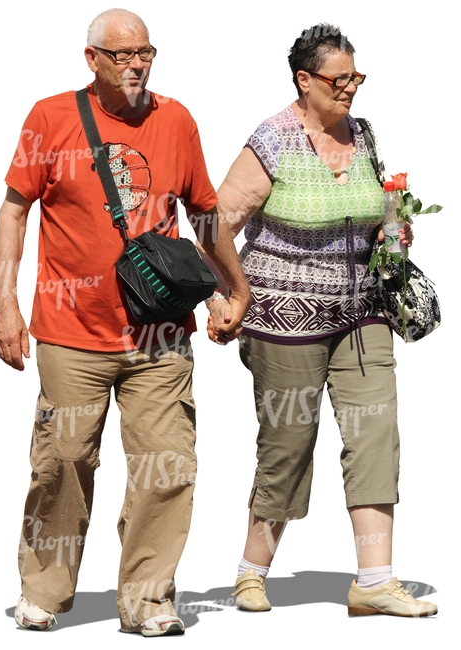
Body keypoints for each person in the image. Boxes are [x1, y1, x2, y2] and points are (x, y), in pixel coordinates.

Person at [0, 8, 249, 636]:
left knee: (168, 463)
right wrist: (5, 304)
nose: (137, 65)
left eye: (146, 53)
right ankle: (45, 591)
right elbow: (14, 212)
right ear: (93, 60)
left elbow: (205, 214)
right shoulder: (49, 117)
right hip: (69, 329)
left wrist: (233, 290)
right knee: (62, 461)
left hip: (159, 332)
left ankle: (148, 598)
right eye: (123, 55)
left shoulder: (177, 118)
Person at [206, 24, 438, 617]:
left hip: (363, 314)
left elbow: (378, 208)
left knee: (375, 436)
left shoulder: (362, 134)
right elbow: (215, 226)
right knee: (289, 444)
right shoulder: (273, 139)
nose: (351, 89)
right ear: (304, 80)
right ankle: (251, 573)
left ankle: (375, 581)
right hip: (282, 321)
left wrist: (393, 228)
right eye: (340, 79)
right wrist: (224, 296)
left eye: (357, 76)